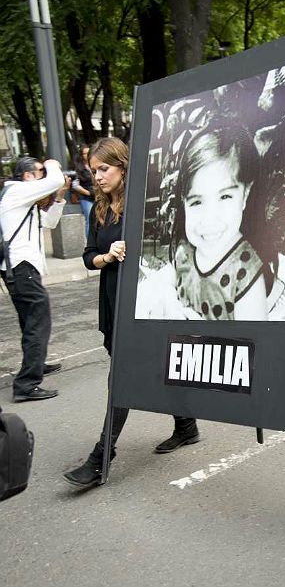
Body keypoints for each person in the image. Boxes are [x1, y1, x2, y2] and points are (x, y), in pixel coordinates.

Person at [63, 138, 200, 489]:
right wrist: (106, 256)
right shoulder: (100, 208)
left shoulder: (144, 205)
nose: (98, 177)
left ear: (123, 166)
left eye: (104, 169)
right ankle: (187, 425)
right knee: (157, 367)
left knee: (122, 376)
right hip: (114, 299)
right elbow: (88, 256)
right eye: (94, 171)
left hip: (145, 301)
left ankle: (101, 457)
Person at [136, 125, 268, 321]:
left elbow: (255, 344)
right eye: (197, 201)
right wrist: (168, 300)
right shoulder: (185, 252)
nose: (209, 217)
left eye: (224, 197)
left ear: (245, 195)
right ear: (183, 201)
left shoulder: (247, 275)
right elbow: (160, 282)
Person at [0, 156, 69, 401]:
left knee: (30, 322)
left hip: (22, 270)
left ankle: (35, 364)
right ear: (28, 175)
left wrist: (59, 197)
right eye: (40, 171)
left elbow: (49, 222)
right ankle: (27, 385)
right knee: (38, 322)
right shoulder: (17, 191)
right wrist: (52, 164)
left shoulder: (23, 200)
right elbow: (56, 177)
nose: (44, 174)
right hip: (21, 269)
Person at [72, 143, 94, 237]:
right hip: (86, 197)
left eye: (89, 153)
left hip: (97, 196)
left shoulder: (94, 164)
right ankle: (90, 244)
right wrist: (88, 193)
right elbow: (75, 185)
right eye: (85, 153)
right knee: (89, 219)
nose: (87, 155)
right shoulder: (78, 168)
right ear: (81, 155)